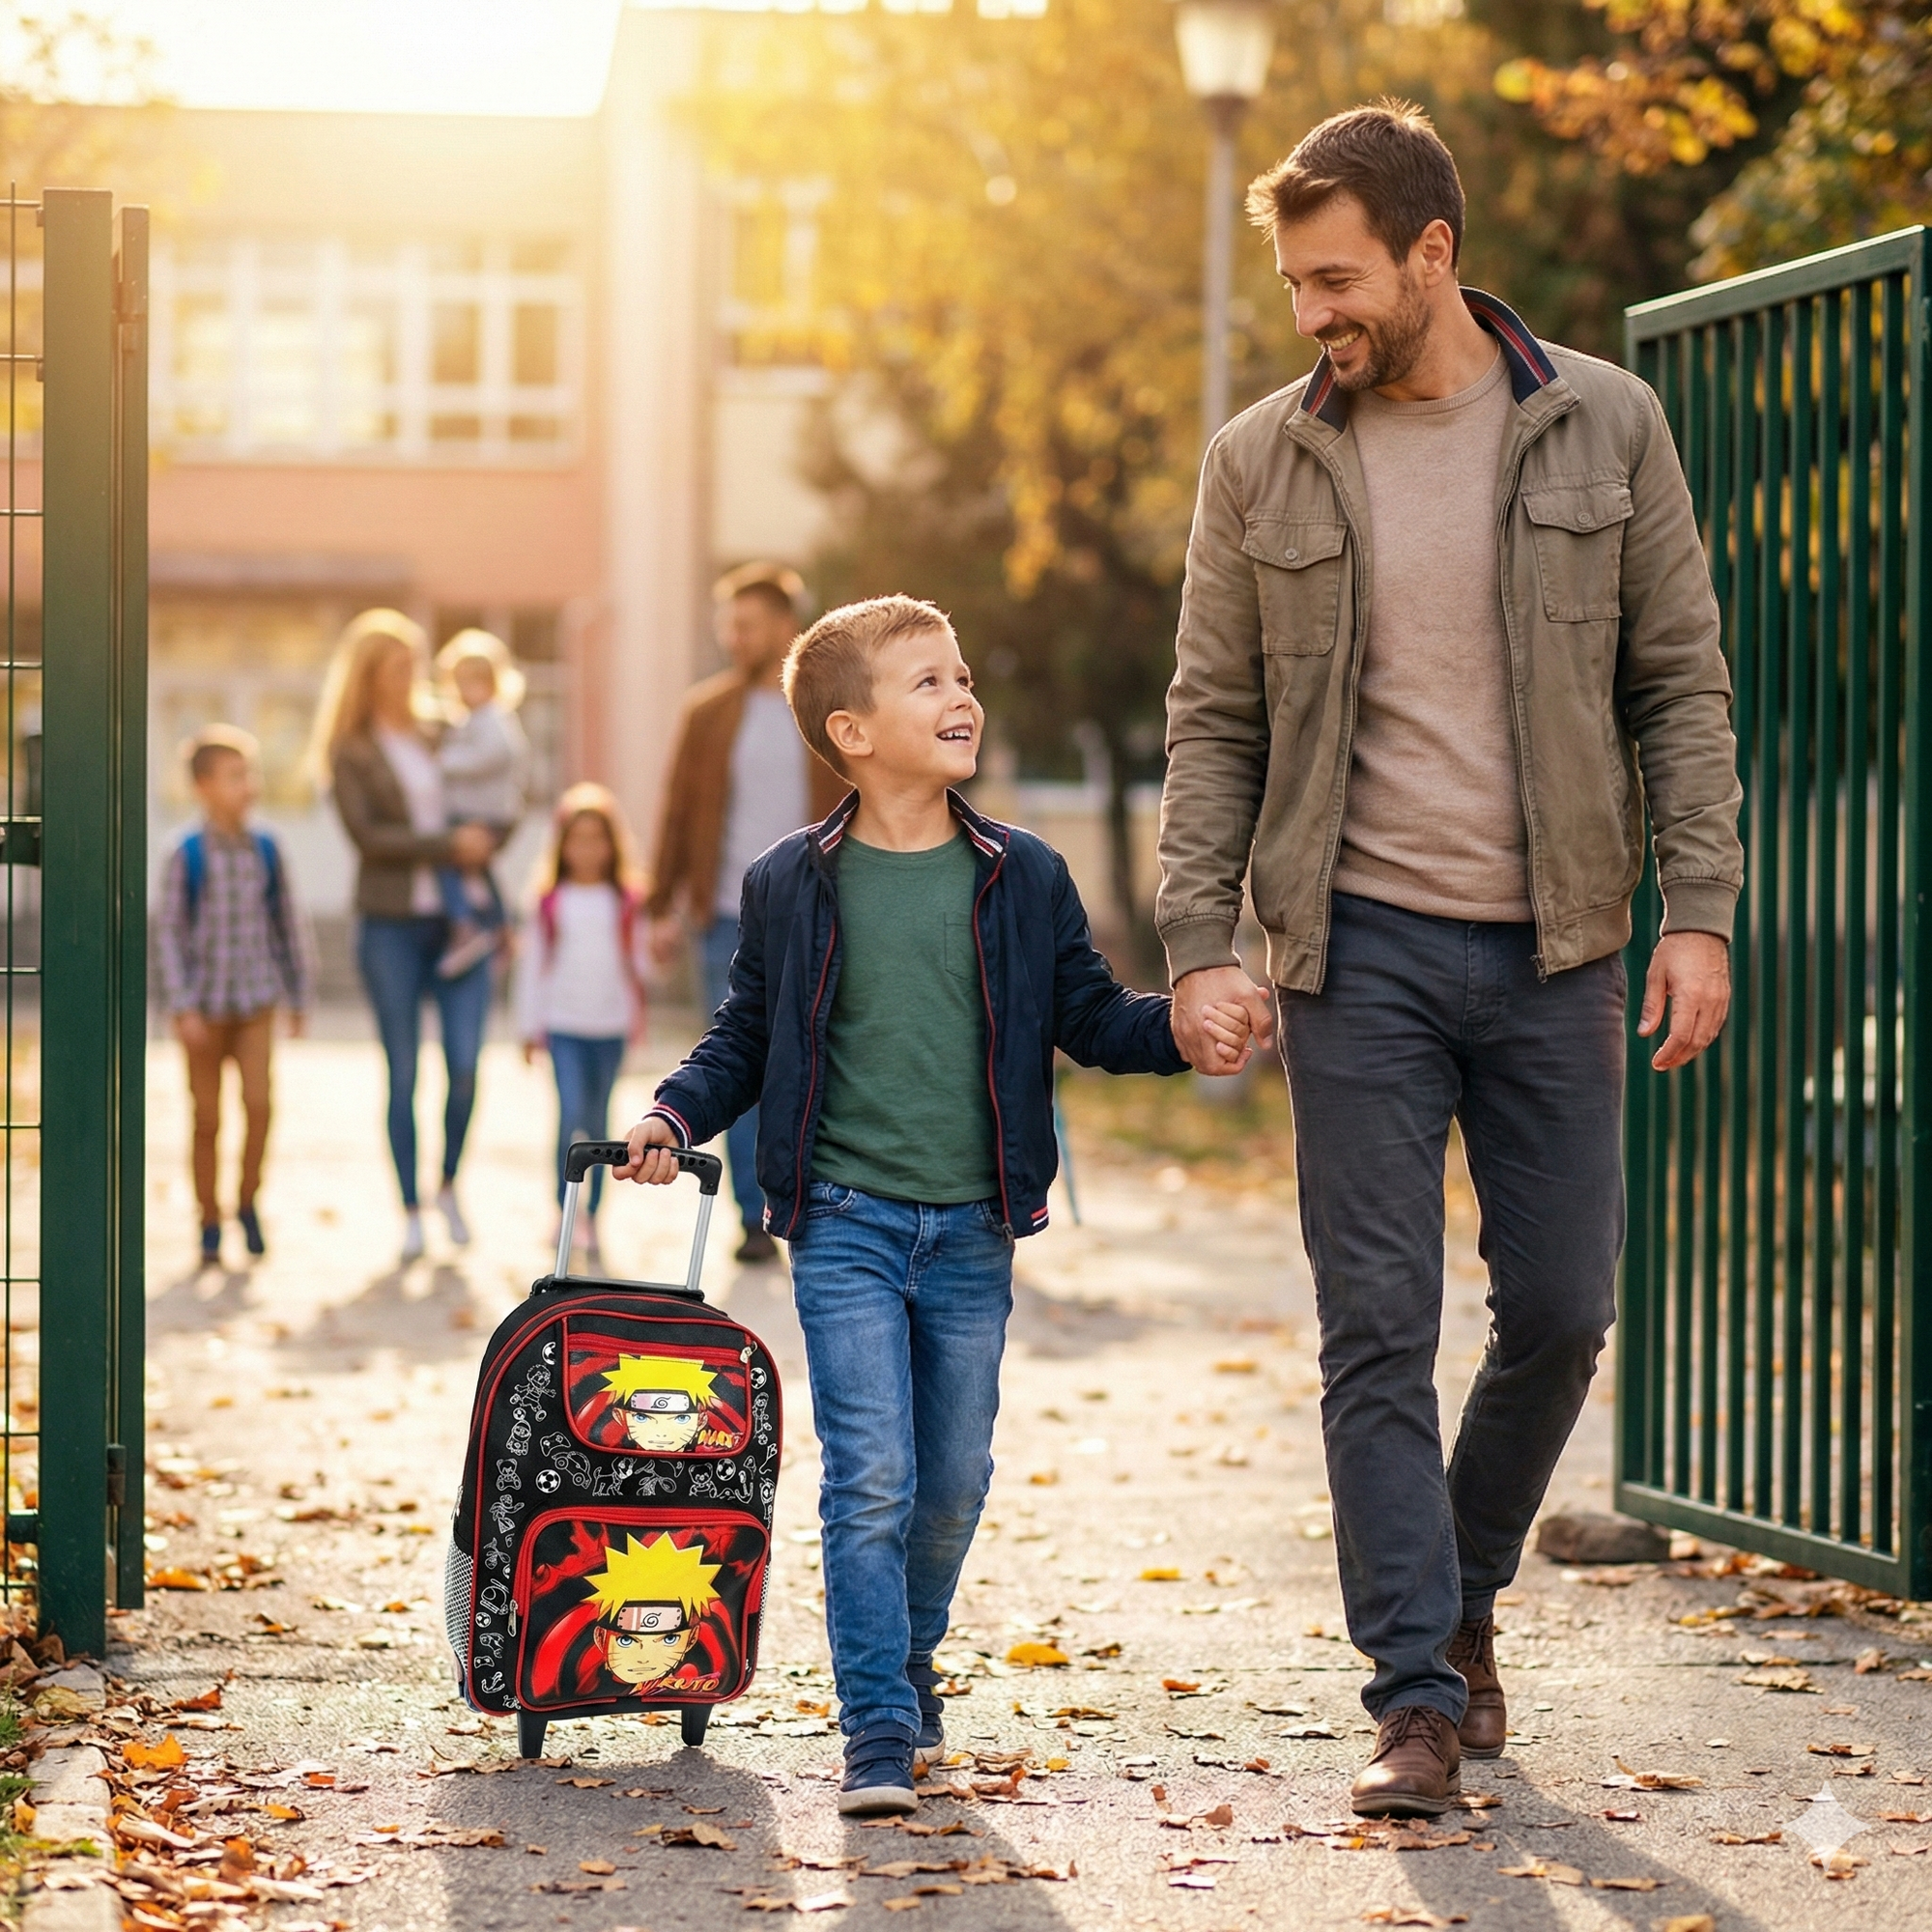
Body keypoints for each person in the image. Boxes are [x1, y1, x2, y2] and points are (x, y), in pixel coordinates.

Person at [1155, 102, 1744, 1817]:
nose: (1311, 312)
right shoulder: (1262, 459)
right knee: (1376, 1326)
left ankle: (1464, 1595)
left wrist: (1694, 908)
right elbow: (1213, 723)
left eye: (1337, 277)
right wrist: (1202, 943)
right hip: (1359, 951)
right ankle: (1414, 1692)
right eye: (1291, 282)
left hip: (1558, 938)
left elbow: (1679, 689)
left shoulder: (1604, 426)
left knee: (1564, 1310)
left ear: (1435, 253)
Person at [620, 594, 1228, 1818]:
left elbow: (1091, 1016)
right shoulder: (791, 880)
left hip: (970, 1227)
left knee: (951, 1478)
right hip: (841, 1216)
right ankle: (878, 1729)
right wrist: (674, 1115)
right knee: (872, 1472)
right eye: (927, 684)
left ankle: (907, 1655)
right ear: (849, 729)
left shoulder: (1022, 874)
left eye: (961, 677)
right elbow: (745, 1032)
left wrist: (1180, 1028)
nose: (962, 699)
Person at [645, 561, 844, 1264]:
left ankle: (822, 1196)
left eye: (747, 625)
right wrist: (660, 906)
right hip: (724, 912)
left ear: (786, 628)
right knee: (741, 1057)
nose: (734, 637)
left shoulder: (827, 712)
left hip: (820, 909)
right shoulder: (708, 711)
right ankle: (755, 1215)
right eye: (726, 625)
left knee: (820, 1055)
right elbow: (677, 811)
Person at [307, 608, 499, 1264]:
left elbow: (499, 786)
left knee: (467, 1065)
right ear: (370, 674)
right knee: (404, 1071)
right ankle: (410, 1209)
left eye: (415, 662)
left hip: (461, 923)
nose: (411, 675)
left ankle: (447, 1185)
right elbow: (368, 838)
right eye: (398, 665)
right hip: (390, 924)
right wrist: (448, 843)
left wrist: (489, 837)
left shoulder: (444, 731)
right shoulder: (351, 748)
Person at [156, 725, 313, 1266]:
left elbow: (288, 923)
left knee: (259, 1105)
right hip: (204, 1007)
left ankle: (247, 1200)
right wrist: (182, 1005)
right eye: (235, 776)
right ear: (203, 786)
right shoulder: (186, 854)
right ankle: (208, 1219)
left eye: (251, 774)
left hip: (255, 1002)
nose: (248, 786)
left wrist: (298, 993)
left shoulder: (267, 849)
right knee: (206, 1118)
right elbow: (171, 933)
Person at [513, 781, 651, 1266]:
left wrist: (644, 1000)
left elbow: (639, 964)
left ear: (612, 845)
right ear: (562, 845)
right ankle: (563, 1206)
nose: (588, 849)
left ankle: (592, 1213)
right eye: (578, 839)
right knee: (569, 1113)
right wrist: (529, 1027)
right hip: (564, 1024)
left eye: (598, 839)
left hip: (608, 1026)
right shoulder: (551, 902)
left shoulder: (626, 902)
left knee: (599, 1122)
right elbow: (533, 970)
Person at [434, 628, 529, 981]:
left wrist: (445, 763)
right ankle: (503, 926)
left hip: (486, 812)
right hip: (482, 810)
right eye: (460, 681)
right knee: (482, 872)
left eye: (475, 681)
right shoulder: (470, 720)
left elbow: (496, 754)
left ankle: (464, 923)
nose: (467, 689)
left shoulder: (494, 718)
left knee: (445, 858)